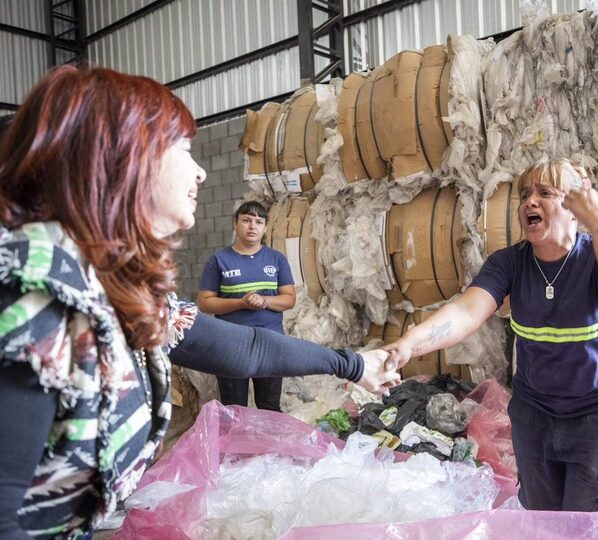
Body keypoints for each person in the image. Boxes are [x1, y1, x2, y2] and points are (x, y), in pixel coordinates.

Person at [0, 65, 400, 539]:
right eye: (183, 150)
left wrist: (353, 364)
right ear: (122, 159)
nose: (200, 170)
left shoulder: (109, 286)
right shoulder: (33, 294)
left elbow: (248, 348)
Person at [385, 158, 598, 512]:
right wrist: (407, 344)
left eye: (546, 193)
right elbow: (466, 312)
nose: (530, 201)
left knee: (589, 524)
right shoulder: (509, 263)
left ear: (574, 209)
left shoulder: (596, 256)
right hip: (536, 412)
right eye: (525, 194)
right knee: (541, 518)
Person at [197, 201, 296, 412]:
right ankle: (237, 446)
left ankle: (269, 446)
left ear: (265, 227)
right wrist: (240, 303)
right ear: (235, 223)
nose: (252, 226)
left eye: (259, 222)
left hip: (270, 343)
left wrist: (265, 301)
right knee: (234, 409)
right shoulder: (219, 260)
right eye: (246, 220)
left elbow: (289, 299)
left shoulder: (277, 259)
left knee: (269, 406)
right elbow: (205, 302)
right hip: (231, 344)